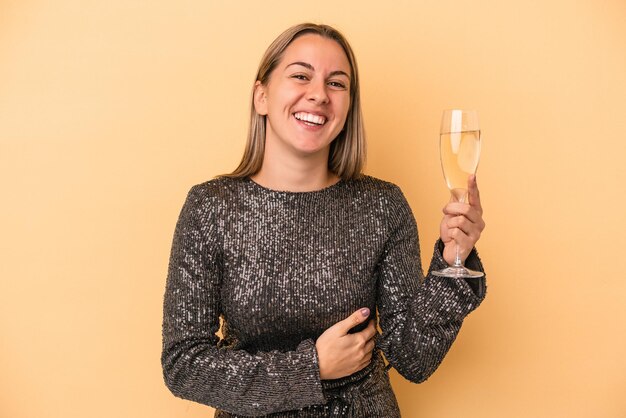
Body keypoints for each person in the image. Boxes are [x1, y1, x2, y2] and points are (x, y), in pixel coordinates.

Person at [161, 23, 486, 417]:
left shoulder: (382, 205)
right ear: (261, 95)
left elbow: (412, 359)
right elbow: (183, 363)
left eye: (337, 84)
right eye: (300, 75)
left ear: (348, 107)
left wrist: (453, 262)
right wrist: (309, 369)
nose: (318, 95)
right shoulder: (210, 208)